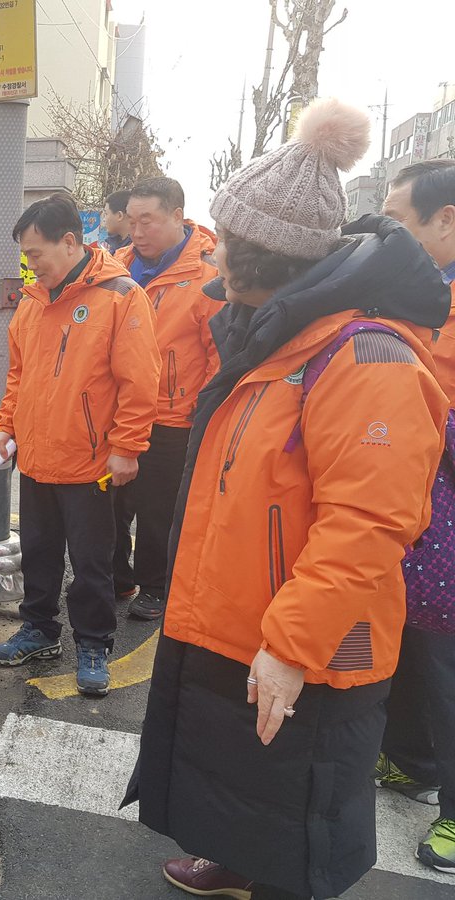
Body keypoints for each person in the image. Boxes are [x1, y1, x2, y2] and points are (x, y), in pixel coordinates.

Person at [126, 98, 450, 900]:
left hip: (307, 636)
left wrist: (293, 643)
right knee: (238, 767)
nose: (216, 256)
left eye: (229, 240)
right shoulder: (268, 336)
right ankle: (233, 858)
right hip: (237, 613)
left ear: (268, 255)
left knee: (301, 800)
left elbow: (370, 526)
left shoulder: (365, 358)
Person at [0, 191, 160, 696]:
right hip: (37, 457)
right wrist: (6, 427)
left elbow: (140, 382)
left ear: (70, 242)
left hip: (92, 463)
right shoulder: (33, 304)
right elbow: (19, 377)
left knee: (91, 560)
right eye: (26, 256)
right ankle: (39, 629)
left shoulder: (121, 297)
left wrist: (127, 446)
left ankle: (94, 641)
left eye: (36, 254)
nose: (30, 265)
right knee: (37, 553)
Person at [378, 158, 455, 873]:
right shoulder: (415, 295)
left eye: (399, 222)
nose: (386, 235)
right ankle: (412, 760)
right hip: (416, 507)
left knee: (444, 663)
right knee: (415, 647)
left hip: (446, 509)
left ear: (446, 219)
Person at [111, 178, 222, 620]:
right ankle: (117, 578)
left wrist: (201, 410)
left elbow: (219, 353)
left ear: (177, 216)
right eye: (132, 221)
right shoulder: (116, 270)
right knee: (111, 503)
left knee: (159, 509)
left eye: (148, 221)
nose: (137, 232)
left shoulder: (208, 277)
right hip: (116, 412)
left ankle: (155, 585)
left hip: (173, 417)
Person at [98, 190, 132, 254]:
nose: (104, 219)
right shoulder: (112, 247)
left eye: (106, 214)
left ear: (119, 216)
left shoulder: (135, 252)